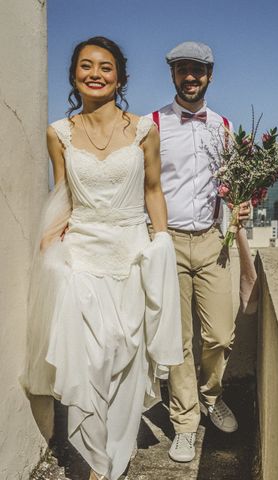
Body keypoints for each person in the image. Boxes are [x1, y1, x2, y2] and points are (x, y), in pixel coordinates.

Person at [21, 36, 183, 480]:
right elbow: (64, 194)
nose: (95, 73)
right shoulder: (59, 132)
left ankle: (116, 452)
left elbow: (153, 190)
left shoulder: (144, 132)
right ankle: (95, 461)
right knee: (90, 357)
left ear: (120, 76)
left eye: (106, 67)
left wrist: (162, 240)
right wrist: (50, 242)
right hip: (83, 254)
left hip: (131, 251)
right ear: (74, 74)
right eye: (86, 66)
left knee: (127, 356)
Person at [148, 41, 252, 463]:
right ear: (172, 74)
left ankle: (211, 395)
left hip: (212, 240)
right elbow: (142, 186)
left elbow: (232, 187)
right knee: (179, 340)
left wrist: (242, 203)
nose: (190, 77)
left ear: (211, 75)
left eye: (199, 70)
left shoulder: (224, 127)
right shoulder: (151, 124)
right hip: (167, 239)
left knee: (221, 334)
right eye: (182, 69)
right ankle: (185, 422)